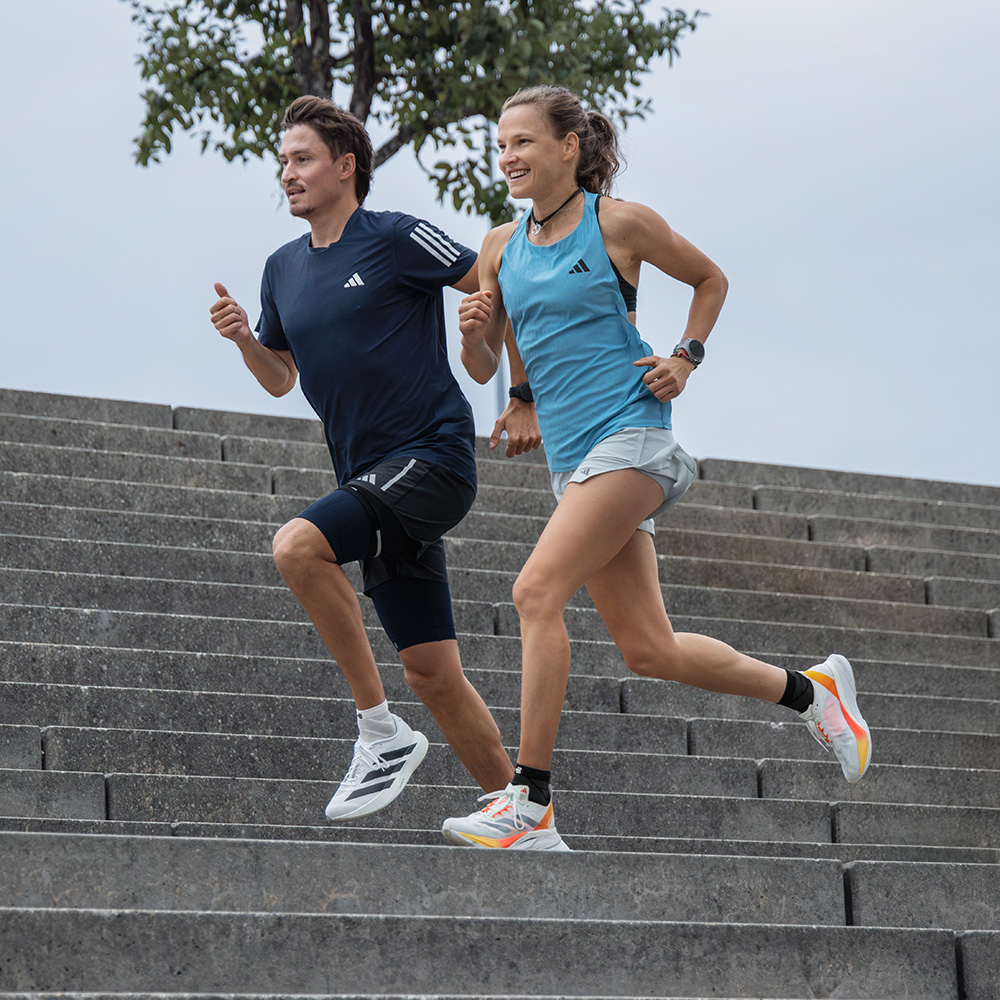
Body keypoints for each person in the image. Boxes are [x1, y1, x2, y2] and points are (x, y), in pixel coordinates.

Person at [442, 85, 871, 852]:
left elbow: (711, 279)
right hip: (573, 462)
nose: (507, 156)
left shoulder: (619, 224)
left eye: (523, 142)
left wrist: (685, 357)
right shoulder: (498, 248)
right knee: (650, 649)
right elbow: (484, 363)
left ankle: (530, 802)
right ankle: (814, 693)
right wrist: (487, 350)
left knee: (535, 591)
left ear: (568, 147)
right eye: (500, 145)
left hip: (635, 437)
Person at [209, 95, 536, 822]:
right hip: (369, 480)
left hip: (432, 456)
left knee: (297, 547)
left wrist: (519, 391)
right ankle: (525, 815)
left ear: (346, 167)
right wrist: (244, 341)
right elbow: (281, 378)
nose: (286, 173)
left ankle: (379, 733)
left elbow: (498, 276)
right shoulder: (281, 269)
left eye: (302, 159)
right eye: (283, 161)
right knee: (432, 671)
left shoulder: (394, 238)